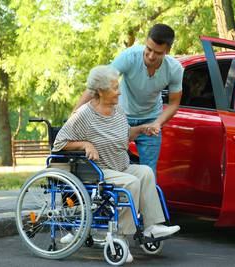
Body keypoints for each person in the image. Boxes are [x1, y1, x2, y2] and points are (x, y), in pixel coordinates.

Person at [53, 65, 180, 262]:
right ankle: (120, 236)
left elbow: (123, 134)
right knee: (132, 182)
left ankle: (153, 226)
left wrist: (142, 129)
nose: (119, 92)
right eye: (115, 88)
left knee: (145, 172)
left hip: (119, 165)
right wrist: (85, 143)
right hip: (99, 171)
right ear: (101, 91)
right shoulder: (83, 115)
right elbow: (59, 144)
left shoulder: (117, 110)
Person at [73, 23, 183, 177]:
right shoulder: (130, 57)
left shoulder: (174, 69)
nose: (151, 56)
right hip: (121, 117)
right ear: (145, 42)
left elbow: (174, 103)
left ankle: (143, 201)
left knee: (149, 172)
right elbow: (99, 84)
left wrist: (158, 123)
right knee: (114, 168)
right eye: (149, 49)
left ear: (168, 50)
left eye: (158, 53)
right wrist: (75, 114)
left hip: (150, 120)